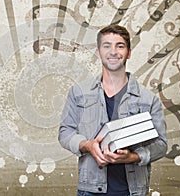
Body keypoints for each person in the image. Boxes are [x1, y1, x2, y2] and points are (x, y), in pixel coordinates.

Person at [58, 24, 167, 196]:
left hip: (133, 191)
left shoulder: (149, 99)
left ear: (129, 53)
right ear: (98, 52)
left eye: (120, 46)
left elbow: (161, 144)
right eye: (107, 46)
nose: (113, 52)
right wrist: (87, 145)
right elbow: (65, 132)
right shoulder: (79, 92)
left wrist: (133, 157)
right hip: (90, 190)